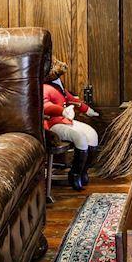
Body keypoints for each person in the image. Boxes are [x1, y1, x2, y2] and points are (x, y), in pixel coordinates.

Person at [42, 61, 100, 190]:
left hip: (66, 120)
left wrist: (87, 109)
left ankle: (83, 171)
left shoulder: (58, 86)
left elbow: (70, 99)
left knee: (92, 134)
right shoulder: (44, 88)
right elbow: (45, 106)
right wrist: (61, 111)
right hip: (53, 123)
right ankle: (74, 174)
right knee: (80, 137)